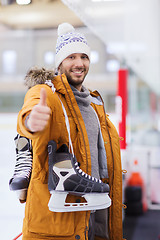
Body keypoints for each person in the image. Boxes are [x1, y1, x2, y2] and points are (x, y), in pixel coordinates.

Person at [15, 23, 123, 240]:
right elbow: (31, 109)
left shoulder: (94, 105)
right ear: (59, 62)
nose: (79, 63)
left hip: (97, 208)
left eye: (84, 57)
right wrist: (31, 121)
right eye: (71, 57)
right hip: (59, 220)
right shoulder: (48, 93)